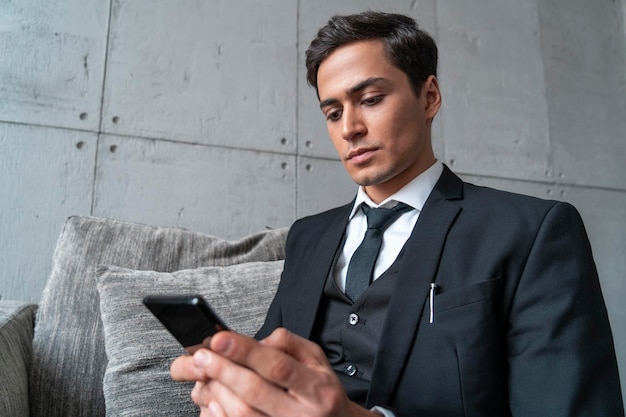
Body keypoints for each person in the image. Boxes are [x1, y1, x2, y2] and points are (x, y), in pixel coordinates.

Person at [171, 11, 624, 416]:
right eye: (332, 112)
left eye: (370, 99)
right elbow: (274, 363)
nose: (349, 128)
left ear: (429, 97)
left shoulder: (532, 230)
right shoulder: (306, 237)